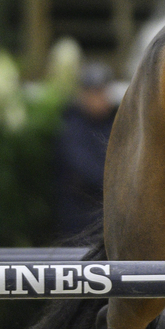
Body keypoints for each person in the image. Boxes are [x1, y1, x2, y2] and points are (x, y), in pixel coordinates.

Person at [56, 62, 117, 240]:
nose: (100, 98)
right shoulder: (71, 127)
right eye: (94, 92)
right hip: (79, 225)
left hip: (110, 221)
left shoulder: (114, 123)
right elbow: (86, 171)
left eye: (103, 91)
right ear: (82, 94)